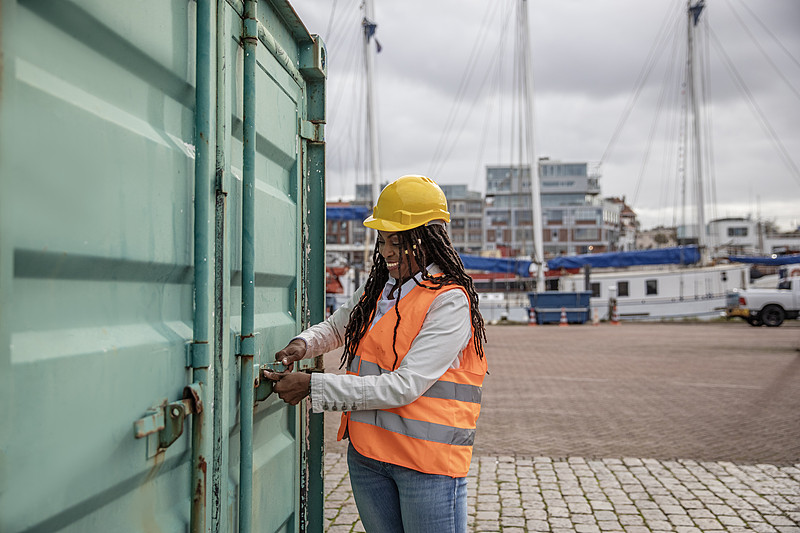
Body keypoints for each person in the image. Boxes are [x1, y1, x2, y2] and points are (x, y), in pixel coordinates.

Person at [263, 175, 487, 533]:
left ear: (429, 239)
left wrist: (313, 386)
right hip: (369, 457)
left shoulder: (450, 301)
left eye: (398, 242)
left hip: (425, 466)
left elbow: (404, 386)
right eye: (382, 241)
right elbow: (338, 327)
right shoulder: (381, 290)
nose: (386, 252)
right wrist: (302, 344)